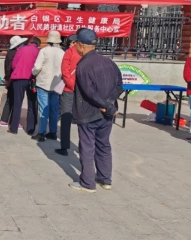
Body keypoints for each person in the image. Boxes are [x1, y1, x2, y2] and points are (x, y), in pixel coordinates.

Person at [70, 29, 123, 193]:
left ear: (81, 45)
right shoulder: (109, 62)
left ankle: (88, 183)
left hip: (89, 112)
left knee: (87, 147)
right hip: (106, 113)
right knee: (103, 144)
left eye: (76, 43)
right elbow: (119, 86)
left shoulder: (83, 66)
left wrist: (106, 105)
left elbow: (89, 92)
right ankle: (105, 179)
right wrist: (109, 104)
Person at [32, 31, 65, 142]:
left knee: (43, 109)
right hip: (56, 84)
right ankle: (53, 132)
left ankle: (41, 132)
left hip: (43, 83)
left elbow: (37, 67)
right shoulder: (62, 52)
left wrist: (33, 73)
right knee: (54, 109)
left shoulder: (44, 51)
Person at [8, 37, 40, 135]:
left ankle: (14, 128)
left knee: (17, 104)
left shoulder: (21, 49)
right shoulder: (39, 51)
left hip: (18, 78)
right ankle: (30, 129)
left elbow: (14, 64)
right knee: (32, 104)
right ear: (38, 44)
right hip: (32, 79)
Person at [56, 33, 81, 156]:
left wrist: (71, 85)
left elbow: (65, 71)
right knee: (83, 119)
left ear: (74, 42)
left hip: (69, 90)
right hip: (83, 91)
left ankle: (64, 147)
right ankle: (83, 146)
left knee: (66, 117)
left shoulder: (70, 52)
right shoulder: (87, 52)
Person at [0, 36, 28, 127]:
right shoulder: (15, 53)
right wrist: (8, 78)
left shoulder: (10, 52)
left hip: (10, 79)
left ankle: (4, 120)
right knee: (16, 101)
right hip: (13, 79)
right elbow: (10, 68)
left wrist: (7, 78)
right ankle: (13, 122)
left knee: (10, 99)